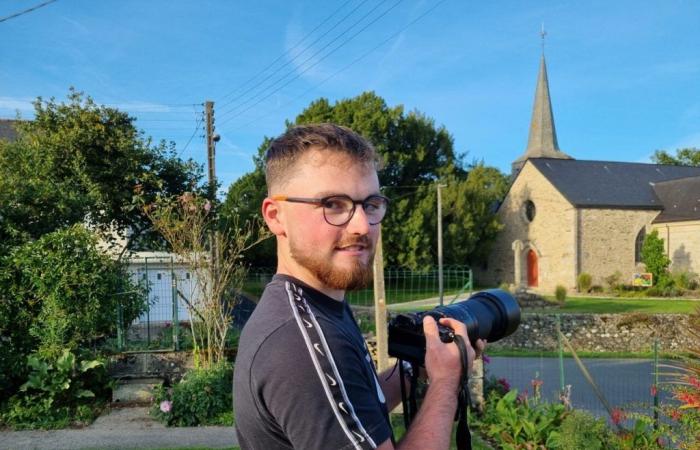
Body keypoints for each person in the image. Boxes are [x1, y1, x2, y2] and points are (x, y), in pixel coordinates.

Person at [233, 123, 482, 450]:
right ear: (276, 216)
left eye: (370, 204)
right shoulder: (301, 344)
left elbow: (351, 405)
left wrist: (415, 368)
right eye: (332, 204)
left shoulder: (317, 304)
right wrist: (446, 382)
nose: (362, 225)